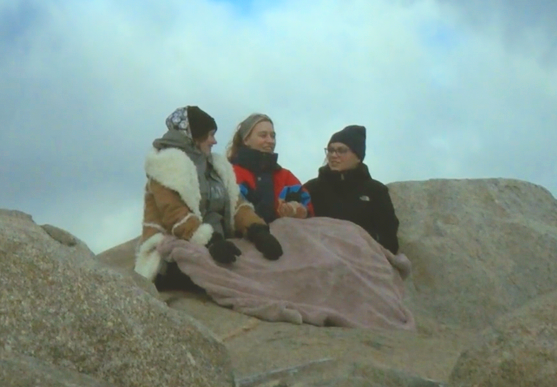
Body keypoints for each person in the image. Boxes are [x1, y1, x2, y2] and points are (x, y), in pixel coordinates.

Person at [136, 105, 283, 282]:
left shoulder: (217, 167)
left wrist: (258, 231)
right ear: (195, 136)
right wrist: (210, 241)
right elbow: (175, 216)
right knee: (225, 277)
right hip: (176, 244)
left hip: (218, 241)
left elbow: (237, 204)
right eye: (210, 135)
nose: (214, 141)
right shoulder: (166, 166)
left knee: (263, 267)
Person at [302, 124, 400, 253]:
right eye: (330, 150)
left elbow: (389, 238)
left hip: (364, 257)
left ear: (358, 156)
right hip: (320, 255)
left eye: (341, 150)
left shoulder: (375, 191)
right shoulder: (312, 188)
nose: (333, 155)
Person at [227, 113, 312, 225]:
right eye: (263, 135)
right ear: (246, 139)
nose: (270, 141)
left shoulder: (285, 177)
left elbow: (309, 208)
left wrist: (298, 210)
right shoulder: (230, 174)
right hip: (241, 238)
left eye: (273, 136)